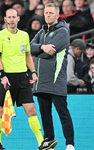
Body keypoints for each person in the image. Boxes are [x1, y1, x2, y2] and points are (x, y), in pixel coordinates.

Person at [0, 8, 57, 150]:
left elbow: (27, 55)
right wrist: (2, 75)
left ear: (18, 19)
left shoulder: (24, 35)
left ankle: (41, 143)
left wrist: (33, 72)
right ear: (5, 19)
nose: (11, 19)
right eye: (9, 17)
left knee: (32, 110)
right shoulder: (0, 35)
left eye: (13, 17)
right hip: (7, 78)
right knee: (2, 112)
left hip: (22, 77)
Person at [30, 3, 75, 150]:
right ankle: (49, 140)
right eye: (46, 13)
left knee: (63, 113)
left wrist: (39, 50)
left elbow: (52, 51)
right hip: (42, 81)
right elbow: (30, 47)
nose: (47, 15)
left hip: (56, 80)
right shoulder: (41, 32)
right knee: (45, 113)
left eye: (50, 13)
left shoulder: (63, 31)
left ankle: (70, 144)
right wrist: (42, 47)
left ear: (57, 15)